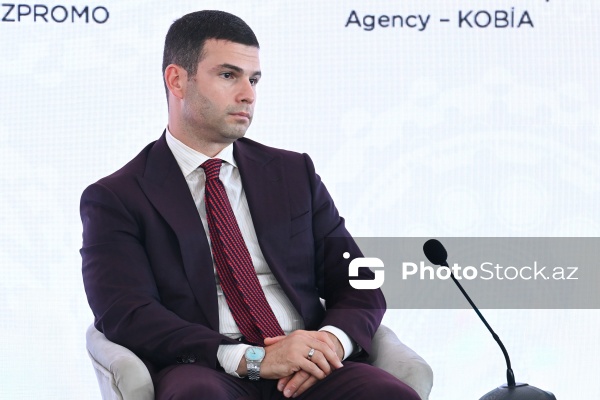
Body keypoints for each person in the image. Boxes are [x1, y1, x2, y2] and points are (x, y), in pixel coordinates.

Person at [81, 10, 419, 400]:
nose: (248, 95)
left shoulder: (293, 173)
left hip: (308, 363)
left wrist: (327, 344)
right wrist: (251, 359)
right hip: (210, 367)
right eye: (229, 75)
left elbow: (359, 281)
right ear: (177, 80)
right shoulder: (117, 197)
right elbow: (127, 313)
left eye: (254, 79)